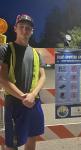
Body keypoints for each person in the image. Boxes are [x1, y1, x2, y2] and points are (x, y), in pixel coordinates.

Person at [0, 14, 46, 150]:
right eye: (21, 27)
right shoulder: (5, 49)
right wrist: (23, 97)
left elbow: (42, 76)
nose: (25, 30)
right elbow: (2, 79)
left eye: (28, 28)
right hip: (15, 103)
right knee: (11, 144)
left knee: (32, 139)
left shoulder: (36, 53)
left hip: (34, 102)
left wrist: (32, 95)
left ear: (32, 31)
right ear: (15, 28)